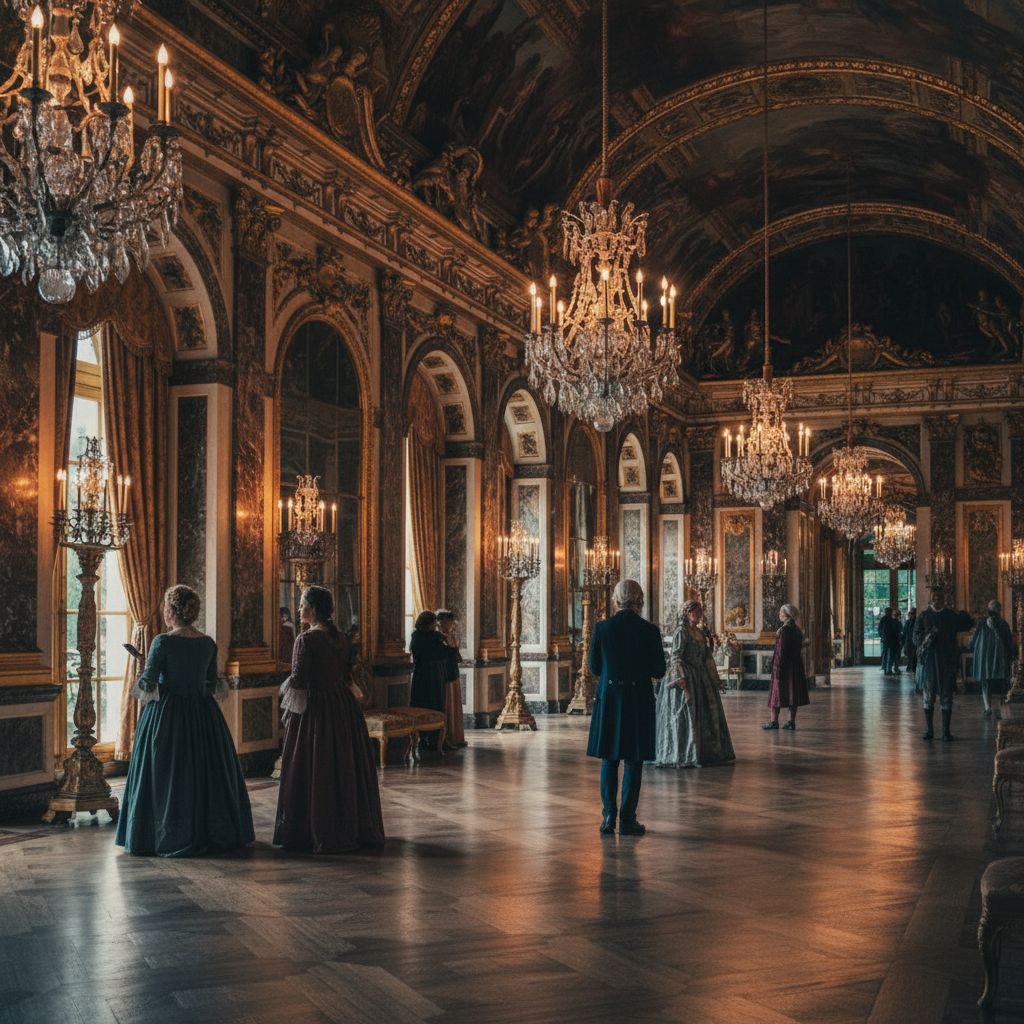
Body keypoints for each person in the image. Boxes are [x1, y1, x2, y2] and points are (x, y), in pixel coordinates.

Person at [116, 585, 255, 857]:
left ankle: (165, 833)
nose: (164, 611)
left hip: (168, 714)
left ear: (173, 610)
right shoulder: (207, 643)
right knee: (206, 771)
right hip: (203, 715)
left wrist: (143, 666)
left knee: (166, 772)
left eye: (166, 607)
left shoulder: (162, 642)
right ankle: (210, 829)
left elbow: (148, 683)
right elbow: (211, 682)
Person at [274, 585, 385, 853]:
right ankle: (349, 825)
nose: (299, 609)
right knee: (343, 764)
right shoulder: (342, 638)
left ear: (313, 609)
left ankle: (313, 828)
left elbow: (298, 680)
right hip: (343, 706)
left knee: (316, 765)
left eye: (302, 604)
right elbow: (345, 676)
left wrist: (284, 703)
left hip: (316, 710)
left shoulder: (306, 640)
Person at [586, 579, 666, 836]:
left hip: (609, 697)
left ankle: (609, 817)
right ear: (640, 600)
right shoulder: (649, 631)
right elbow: (659, 670)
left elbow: (594, 667)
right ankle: (628, 820)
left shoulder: (602, 628)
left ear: (616, 599)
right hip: (638, 698)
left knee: (609, 760)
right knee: (633, 761)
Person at [652, 599, 735, 768]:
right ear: (687, 613)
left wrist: (715, 679)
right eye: (696, 612)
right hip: (686, 676)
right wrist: (681, 678)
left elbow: (707, 657)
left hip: (701, 676)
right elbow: (676, 657)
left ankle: (706, 752)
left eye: (700, 612)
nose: (699, 615)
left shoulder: (699, 633)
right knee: (687, 714)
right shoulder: (681, 632)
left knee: (707, 713)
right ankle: (685, 753)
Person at [913, 587, 974, 741]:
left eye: (939, 596)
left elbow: (966, 624)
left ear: (943, 598)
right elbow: (915, 637)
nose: (936, 598)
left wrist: (964, 614)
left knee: (946, 696)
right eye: (934, 595)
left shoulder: (950, 615)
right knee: (928, 696)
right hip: (929, 662)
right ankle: (929, 730)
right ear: (930, 598)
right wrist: (926, 639)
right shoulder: (924, 616)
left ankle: (946, 732)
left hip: (947, 662)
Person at [409, 609, 457, 750]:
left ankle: (425, 739)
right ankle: (435, 740)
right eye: (433, 623)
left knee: (423, 705)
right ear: (428, 623)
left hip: (421, 675)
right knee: (434, 706)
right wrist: (452, 650)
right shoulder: (433, 637)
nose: (435, 626)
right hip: (433, 676)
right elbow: (445, 652)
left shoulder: (416, 637)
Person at [764, 604, 810, 730]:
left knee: (776, 694)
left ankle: (774, 721)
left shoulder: (784, 631)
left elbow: (781, 651)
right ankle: (791, 722)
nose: (780, 615)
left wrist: (777, 667)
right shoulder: (797, 630)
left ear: (787, 615)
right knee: (792, 694)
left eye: (782, 613)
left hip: (784, 667)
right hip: (795, 666)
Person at [969, 599, 1015, 718]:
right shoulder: (1003, 624)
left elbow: (973, 640)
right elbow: (1009, 642)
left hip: (985, 659)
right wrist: (1012, 654)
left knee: (986, 683)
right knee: (1000, 683)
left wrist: (970, 645)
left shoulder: (982, 623)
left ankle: (987, 707)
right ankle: (999, 708)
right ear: (999, 610)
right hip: (999, 659)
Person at [436, 609, 467, 749]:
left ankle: (455, 737)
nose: (448, 625)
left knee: (454, 702)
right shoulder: (438, 637)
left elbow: (457, 655)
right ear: (439, 623)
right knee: (447, 702)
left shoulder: (452, 636)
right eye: (445, 622)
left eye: (450, 622)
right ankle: (446, 738)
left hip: (453, 672)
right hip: (444, 674)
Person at [903, 607, 918, 679]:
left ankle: (911, 667)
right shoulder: (909, 622)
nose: (910, 616)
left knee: (913, 655)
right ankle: (910, 666)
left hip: (911, 642)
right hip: (909, 641)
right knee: (910, 655)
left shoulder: (913, 622)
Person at [878, 607, 895, 674]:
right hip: (890, 639)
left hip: (885, 639)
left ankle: (885, 668)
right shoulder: (891, 620)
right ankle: (888, 668)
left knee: (885, 654)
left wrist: (881, 636)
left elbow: (879, 628)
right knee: (890, 654)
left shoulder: (883, 619)